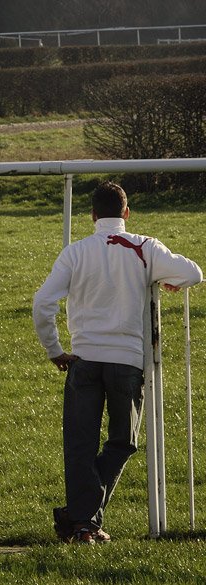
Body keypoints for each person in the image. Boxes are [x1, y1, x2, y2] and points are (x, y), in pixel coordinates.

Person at [32, 181, 202, 544]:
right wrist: (166, 279)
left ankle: (79, 521)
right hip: (127, 360)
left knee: (79, 445)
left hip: (83, 358)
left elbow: (42, 303)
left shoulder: (75, 253)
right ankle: (82, 522)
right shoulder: (145, 247)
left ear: (92, 215)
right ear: (127, 213)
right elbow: (193, 273)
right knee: (123, 441)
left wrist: (54, 349)